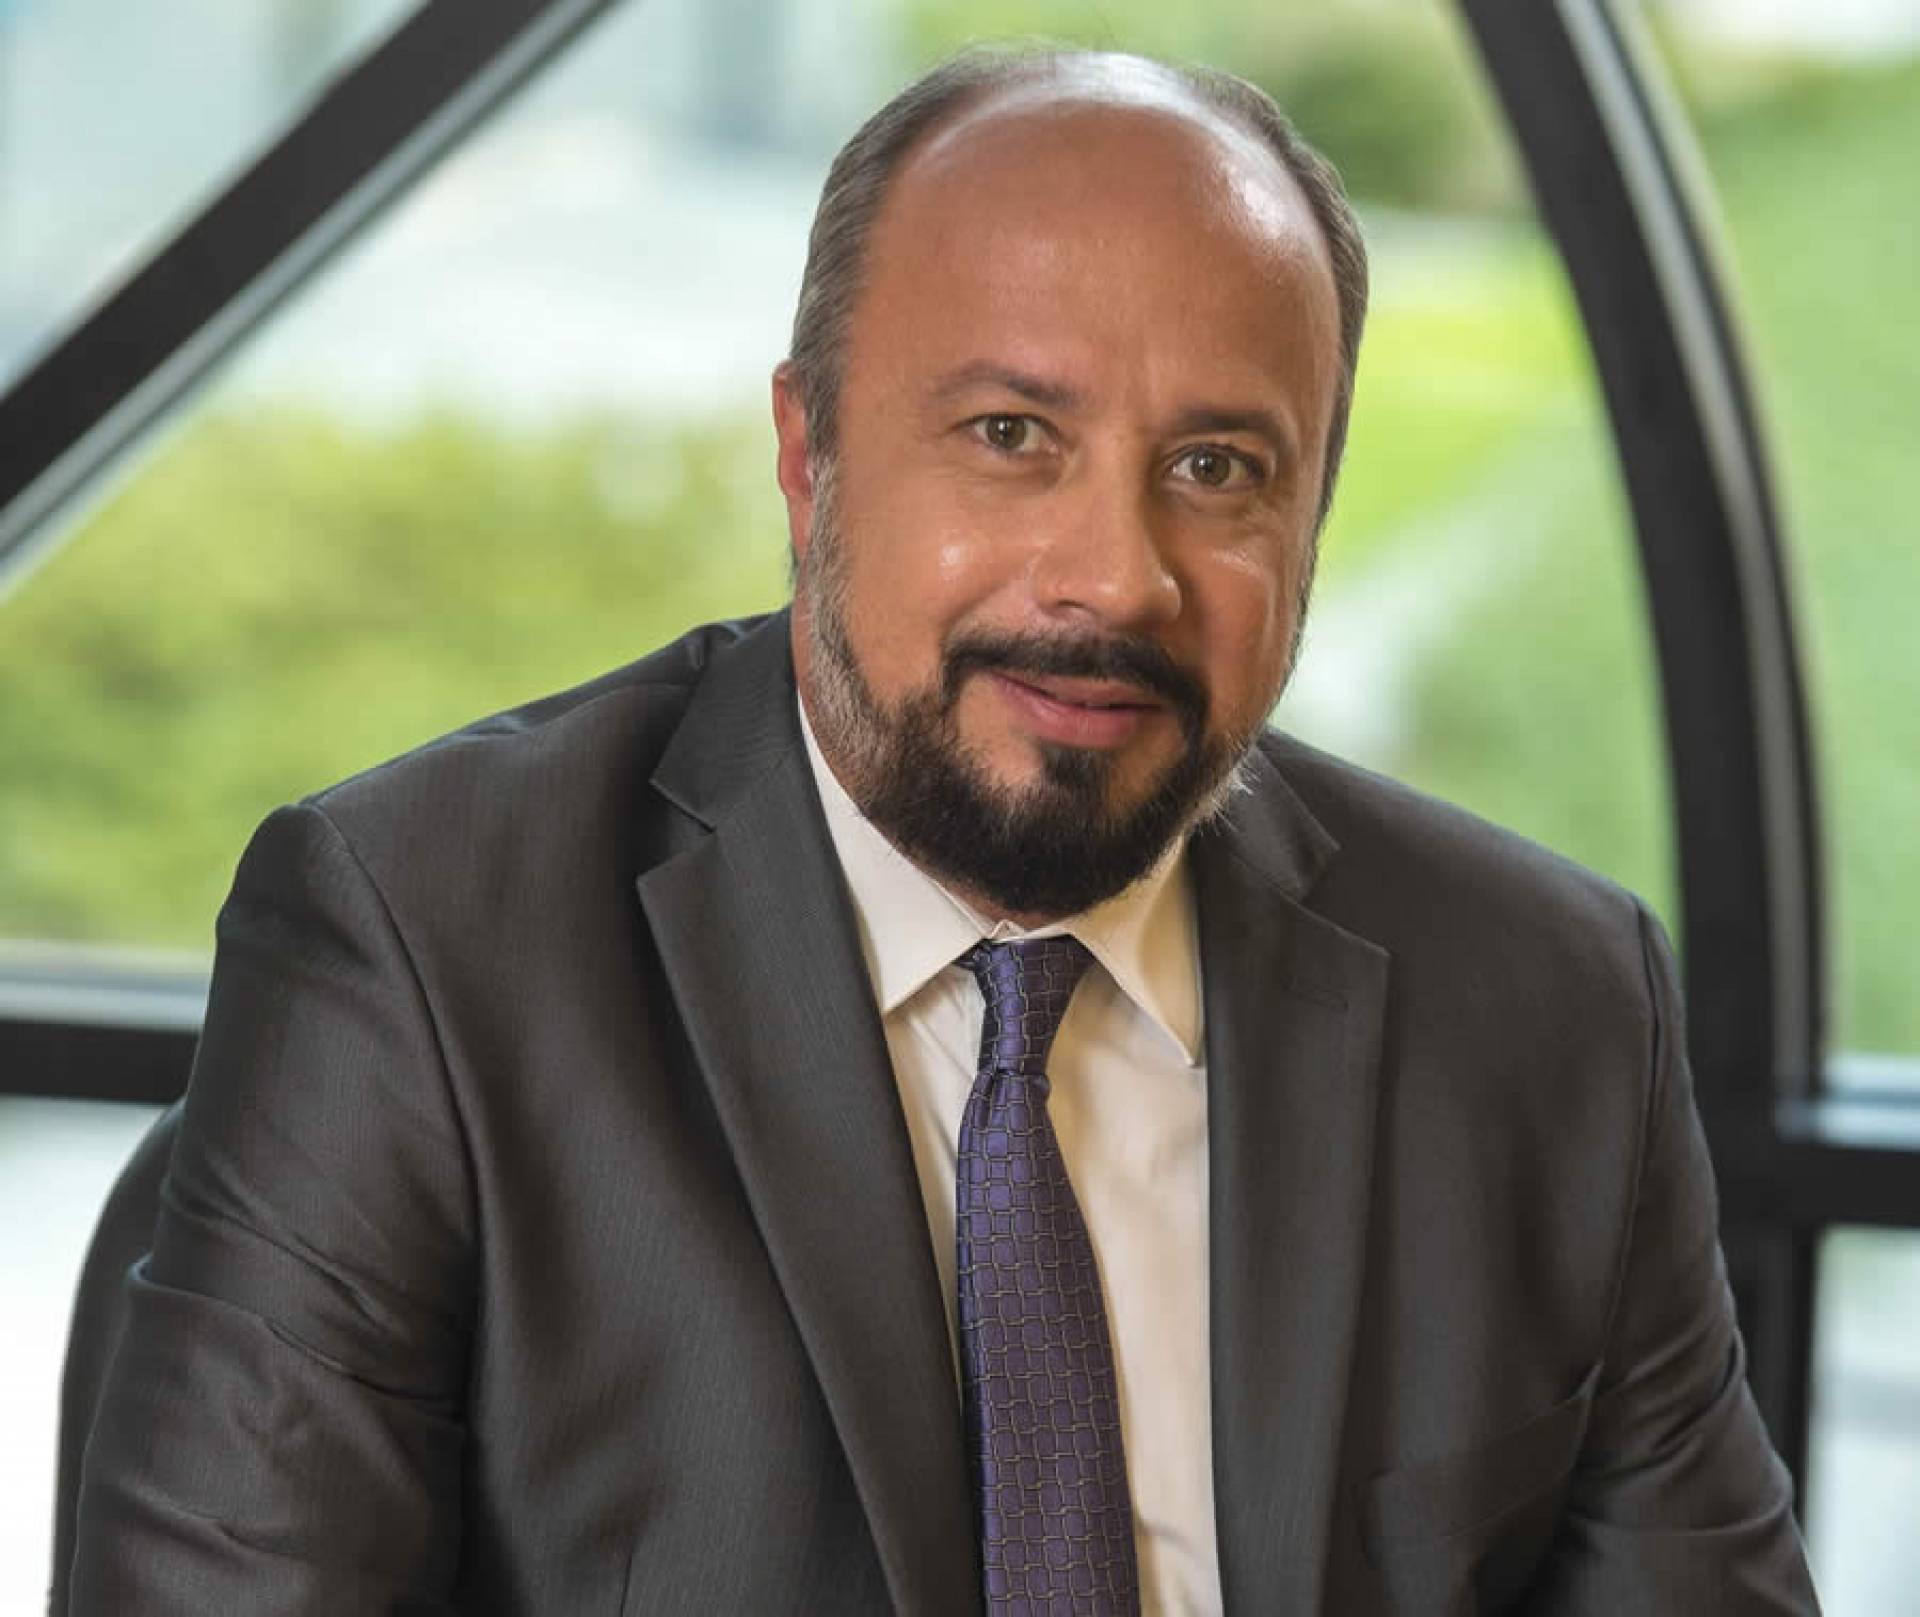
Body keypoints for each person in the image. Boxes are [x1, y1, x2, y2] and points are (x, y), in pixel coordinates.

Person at [71, 46, 1820, 1617]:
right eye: (1010, 435)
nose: (1113, 576)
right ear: (808, 454)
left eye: (1218, 468)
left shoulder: (1551, 1007)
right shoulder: (424, 947)